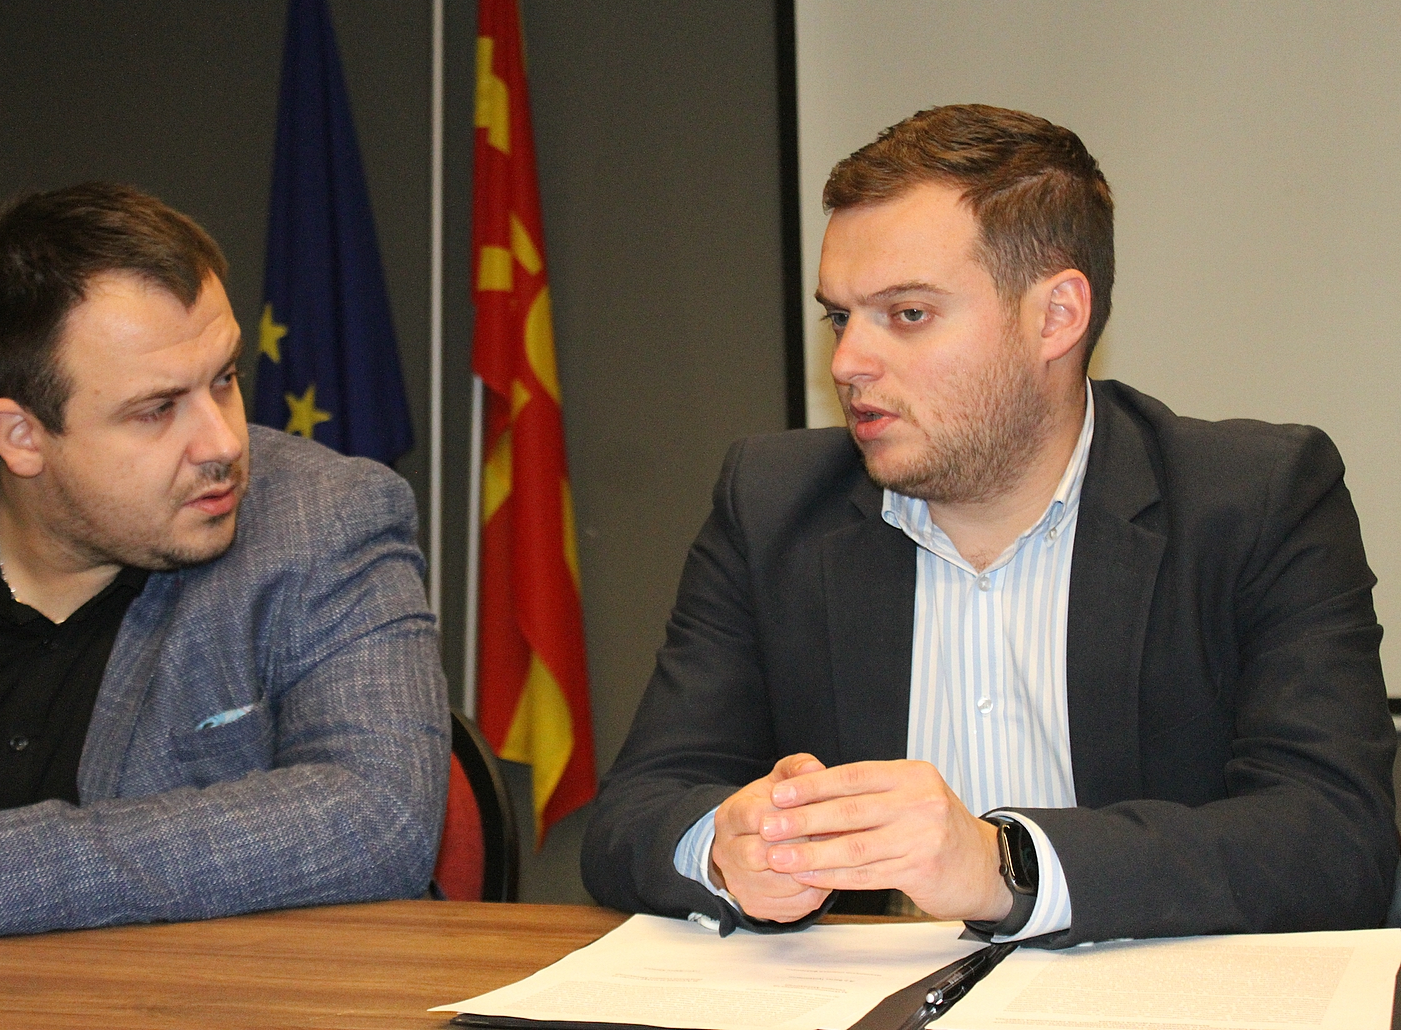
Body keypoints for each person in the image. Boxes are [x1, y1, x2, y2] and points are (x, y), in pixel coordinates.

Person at [581, 105, 1395, 947]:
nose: (848, 362)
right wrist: (726, 849)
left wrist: (1005, 863)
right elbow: (636, 811)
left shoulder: (1256, 500)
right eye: (840, 317)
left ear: (1056, 316)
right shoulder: (773, 504)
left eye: (907, 313)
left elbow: (1335, 840)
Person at [0, 182, 448, 963]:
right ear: (22, 436)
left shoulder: (327, 521)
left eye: (225, 378)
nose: (223, 443)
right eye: (156, 409)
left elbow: (379, 815)